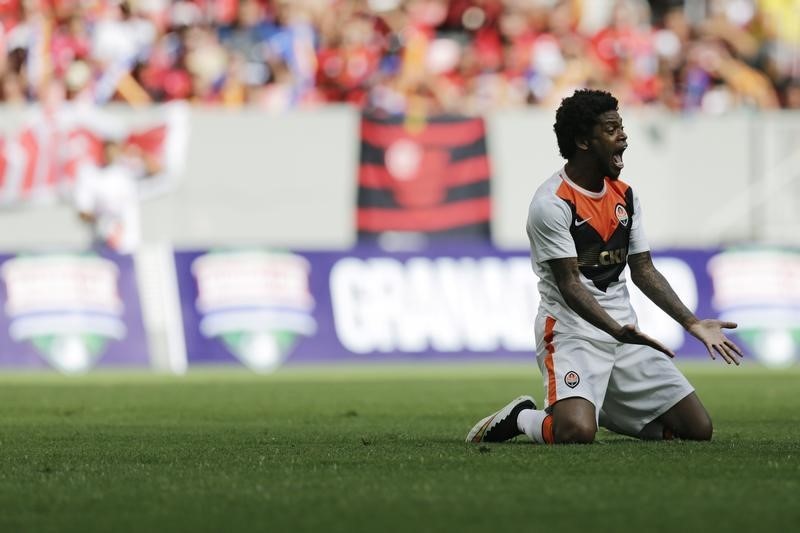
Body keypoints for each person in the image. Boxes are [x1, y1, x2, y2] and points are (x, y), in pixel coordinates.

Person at [466, 89, 743, 445]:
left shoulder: (625, 195)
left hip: (623, 333)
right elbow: (570, 284)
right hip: (571, 333)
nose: (623, 136)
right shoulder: (552, 203)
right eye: (612, 129)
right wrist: (615, 329)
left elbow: (643, 270)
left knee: (697, 430)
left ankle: (594, 404)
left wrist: (692, 323)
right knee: (576, 433)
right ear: (584, 141)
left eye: (621, 127)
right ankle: (524, 418)